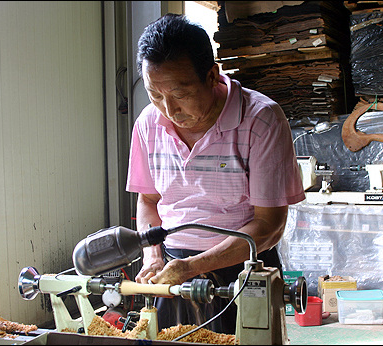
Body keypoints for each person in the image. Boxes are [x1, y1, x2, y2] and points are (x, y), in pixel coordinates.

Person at [125, 13, 305, 335]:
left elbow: (270, 224)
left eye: (180, 94)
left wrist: (194, 267)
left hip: (243, 269)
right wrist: (152, 256)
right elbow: (148, 200)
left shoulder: (261, 120)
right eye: (155, 94)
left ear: (211, 76)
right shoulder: (147, 123)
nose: (169, 109)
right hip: (171, 267)